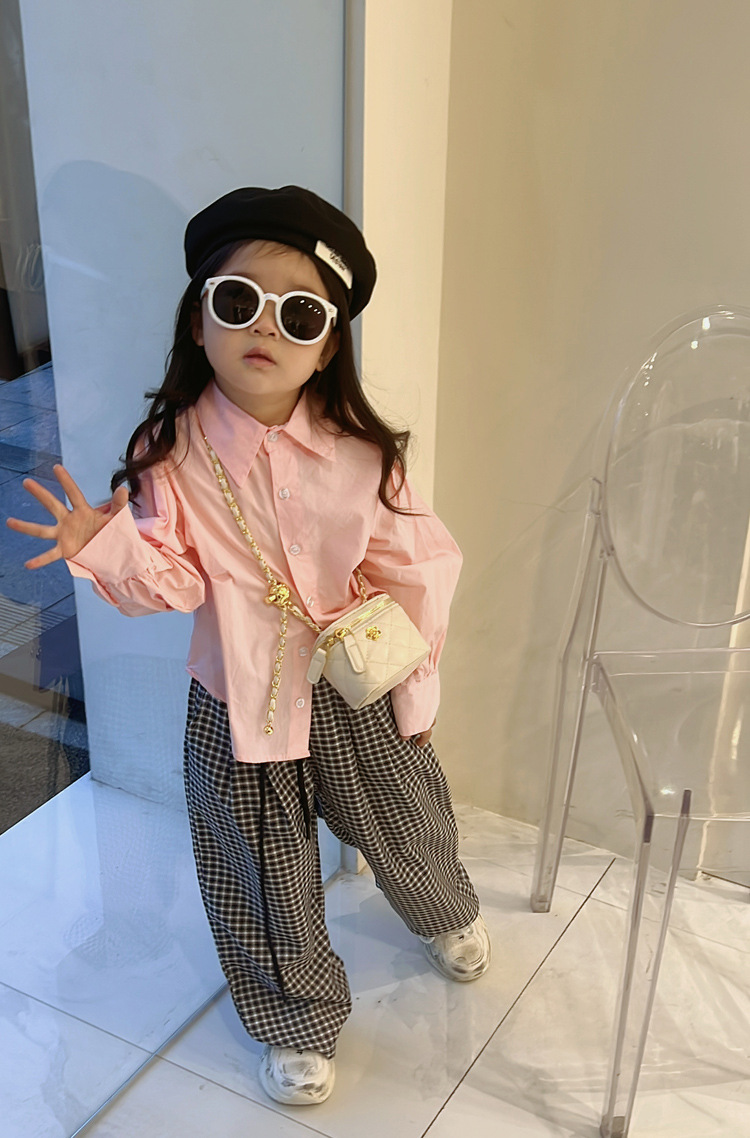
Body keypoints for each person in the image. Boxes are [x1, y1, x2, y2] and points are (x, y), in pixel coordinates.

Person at [6, 186, 490, 1106]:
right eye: (238, 300)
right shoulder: (170, 452)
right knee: (259, 870)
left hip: (354, 686)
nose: (265, 326)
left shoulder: (361, 453)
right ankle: (295, 1017)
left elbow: (422, 565)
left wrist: (417, 692)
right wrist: (104, 545)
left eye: (299, 313)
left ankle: (444, 910)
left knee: (405, 818)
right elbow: (175, 584)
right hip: (238, 700)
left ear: (328, 345)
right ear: (199, 321)